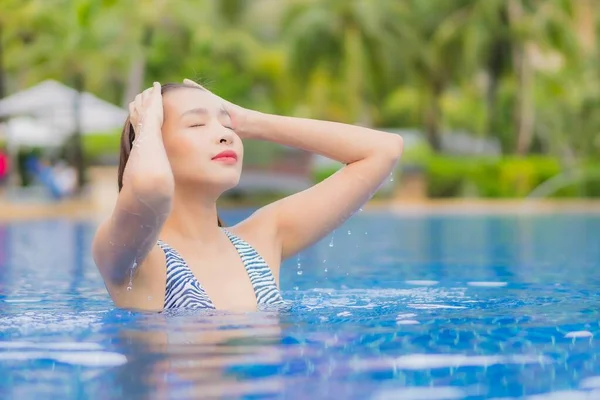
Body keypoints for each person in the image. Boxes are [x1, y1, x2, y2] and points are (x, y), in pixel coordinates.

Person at [92, 80, 404, 313]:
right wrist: (145, 126)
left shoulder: (262, 239)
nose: (226, 133)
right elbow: (151, 187)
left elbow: (384, 150)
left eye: (227, 125)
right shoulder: (133, 258)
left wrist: (251, 121)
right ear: (154, 146)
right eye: (197, 123)